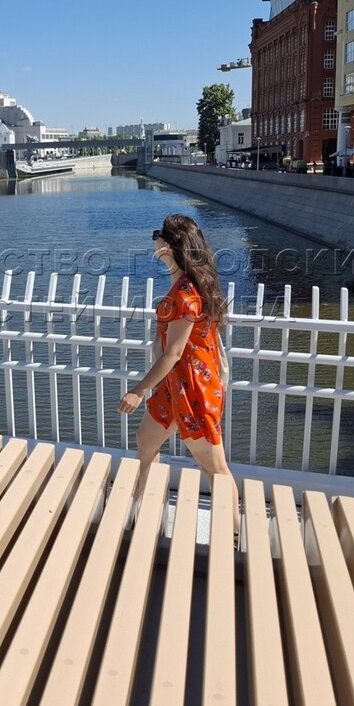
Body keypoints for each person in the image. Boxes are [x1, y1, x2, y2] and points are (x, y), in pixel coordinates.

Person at [117, 214, 240, 529]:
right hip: (174, 387)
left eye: (157, 234)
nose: (154, 239)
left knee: (215, 469)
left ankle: (233, 536)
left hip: (193, 392)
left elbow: (173, 353)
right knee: (146, 441)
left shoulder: (185, 295)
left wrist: (138, 391)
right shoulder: (187, 285)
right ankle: (144, 514)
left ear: (171, 245)